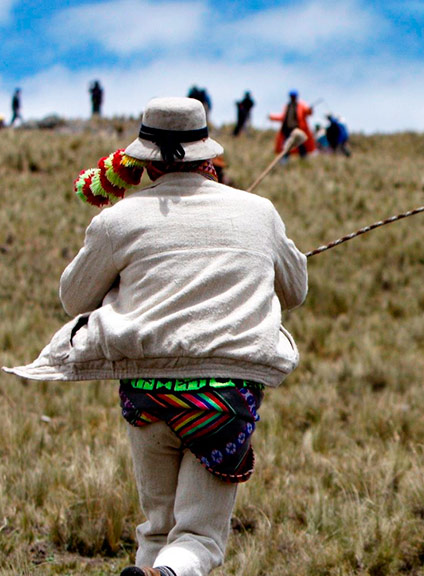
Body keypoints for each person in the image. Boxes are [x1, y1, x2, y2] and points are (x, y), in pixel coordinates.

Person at [3, 97, 308, 576]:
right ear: (208, 156)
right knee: (198, 538)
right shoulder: (260, 212)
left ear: (143, 163)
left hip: (147, 396)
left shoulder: (117, 220)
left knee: (157, 528)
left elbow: (73, 297)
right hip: (223, 400)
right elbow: (295, 290)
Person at [269, 91, 316, 158]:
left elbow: (307, 112)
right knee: (286, 144)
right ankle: (285, 158)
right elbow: (283, 117)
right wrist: (272, 117)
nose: (292, 98)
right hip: (287, 129)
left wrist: (310, 110)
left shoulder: (301, 105)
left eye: (293, 96)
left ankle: (304, 158)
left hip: (298, 129)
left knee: (300, 144)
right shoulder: (287, 106)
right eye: (291, 96)